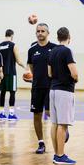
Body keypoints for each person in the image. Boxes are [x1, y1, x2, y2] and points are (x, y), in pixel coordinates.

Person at [48, 27, 78, 165]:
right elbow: (74, 73)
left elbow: (49, 73)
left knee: (54, 123)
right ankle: (60, 155)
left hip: (53, 90)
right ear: (69, 37)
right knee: (63, 124)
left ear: (57, 37)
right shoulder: (67, 51)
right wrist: (75, 79)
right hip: (64, 91)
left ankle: (56, 154)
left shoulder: (52, 51)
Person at [27, 23, 57, 154]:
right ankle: (41, 142)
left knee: (51, 114)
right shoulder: (32, 50)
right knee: (37, 114)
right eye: (38, 31)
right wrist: (31, 78)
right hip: (37, 87)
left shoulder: (55, 48)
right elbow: (31, 68)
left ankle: (60, 135)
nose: (40, 33)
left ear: (48, 33)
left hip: (51, 87)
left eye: (42, 31)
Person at [0, 29, 26, 120]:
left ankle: (1, 113)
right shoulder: (13, 45)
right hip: (11, 73)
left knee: (2, 93)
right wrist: (26, 67)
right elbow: (18, 61)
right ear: (12, 36)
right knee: (12, 93)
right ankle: (11, 114)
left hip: (1, 73)